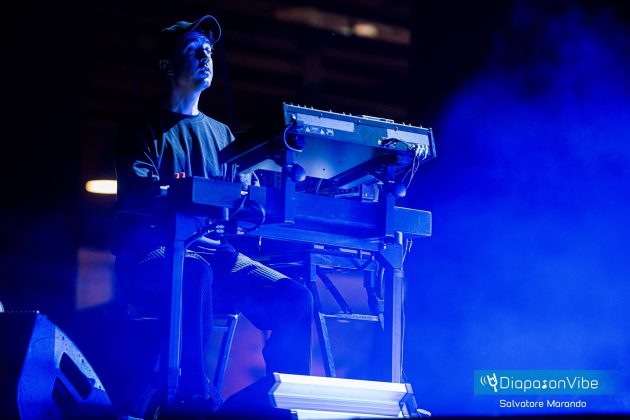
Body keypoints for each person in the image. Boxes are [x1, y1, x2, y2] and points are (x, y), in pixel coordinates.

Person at [111, 14, 313, 417]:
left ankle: (276, 402)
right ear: (167, 66)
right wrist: (184, 193)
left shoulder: (223, 136)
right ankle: (192, 396)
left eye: (209, 50)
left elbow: (245, 203)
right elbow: (139, 194)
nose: (206, 56)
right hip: (153, 258)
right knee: (194, 272)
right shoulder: (140, 126)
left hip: (216, 259)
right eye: (194, 50)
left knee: (295, 298)